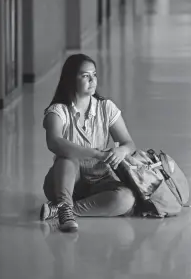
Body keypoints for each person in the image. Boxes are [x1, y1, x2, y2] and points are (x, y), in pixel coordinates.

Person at [40, 53, 137, 233]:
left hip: (100, 179)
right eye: (85, 76)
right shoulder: (58, 111)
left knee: (126, 199)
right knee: (67, 158)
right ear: (71, 79)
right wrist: (96, 153)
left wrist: (121, 151)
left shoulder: (106, 107)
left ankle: (63, 210)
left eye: (94, 74)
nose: (92, 80)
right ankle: (64, 207)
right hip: (65, 181)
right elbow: (54, 142)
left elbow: (128, 143)